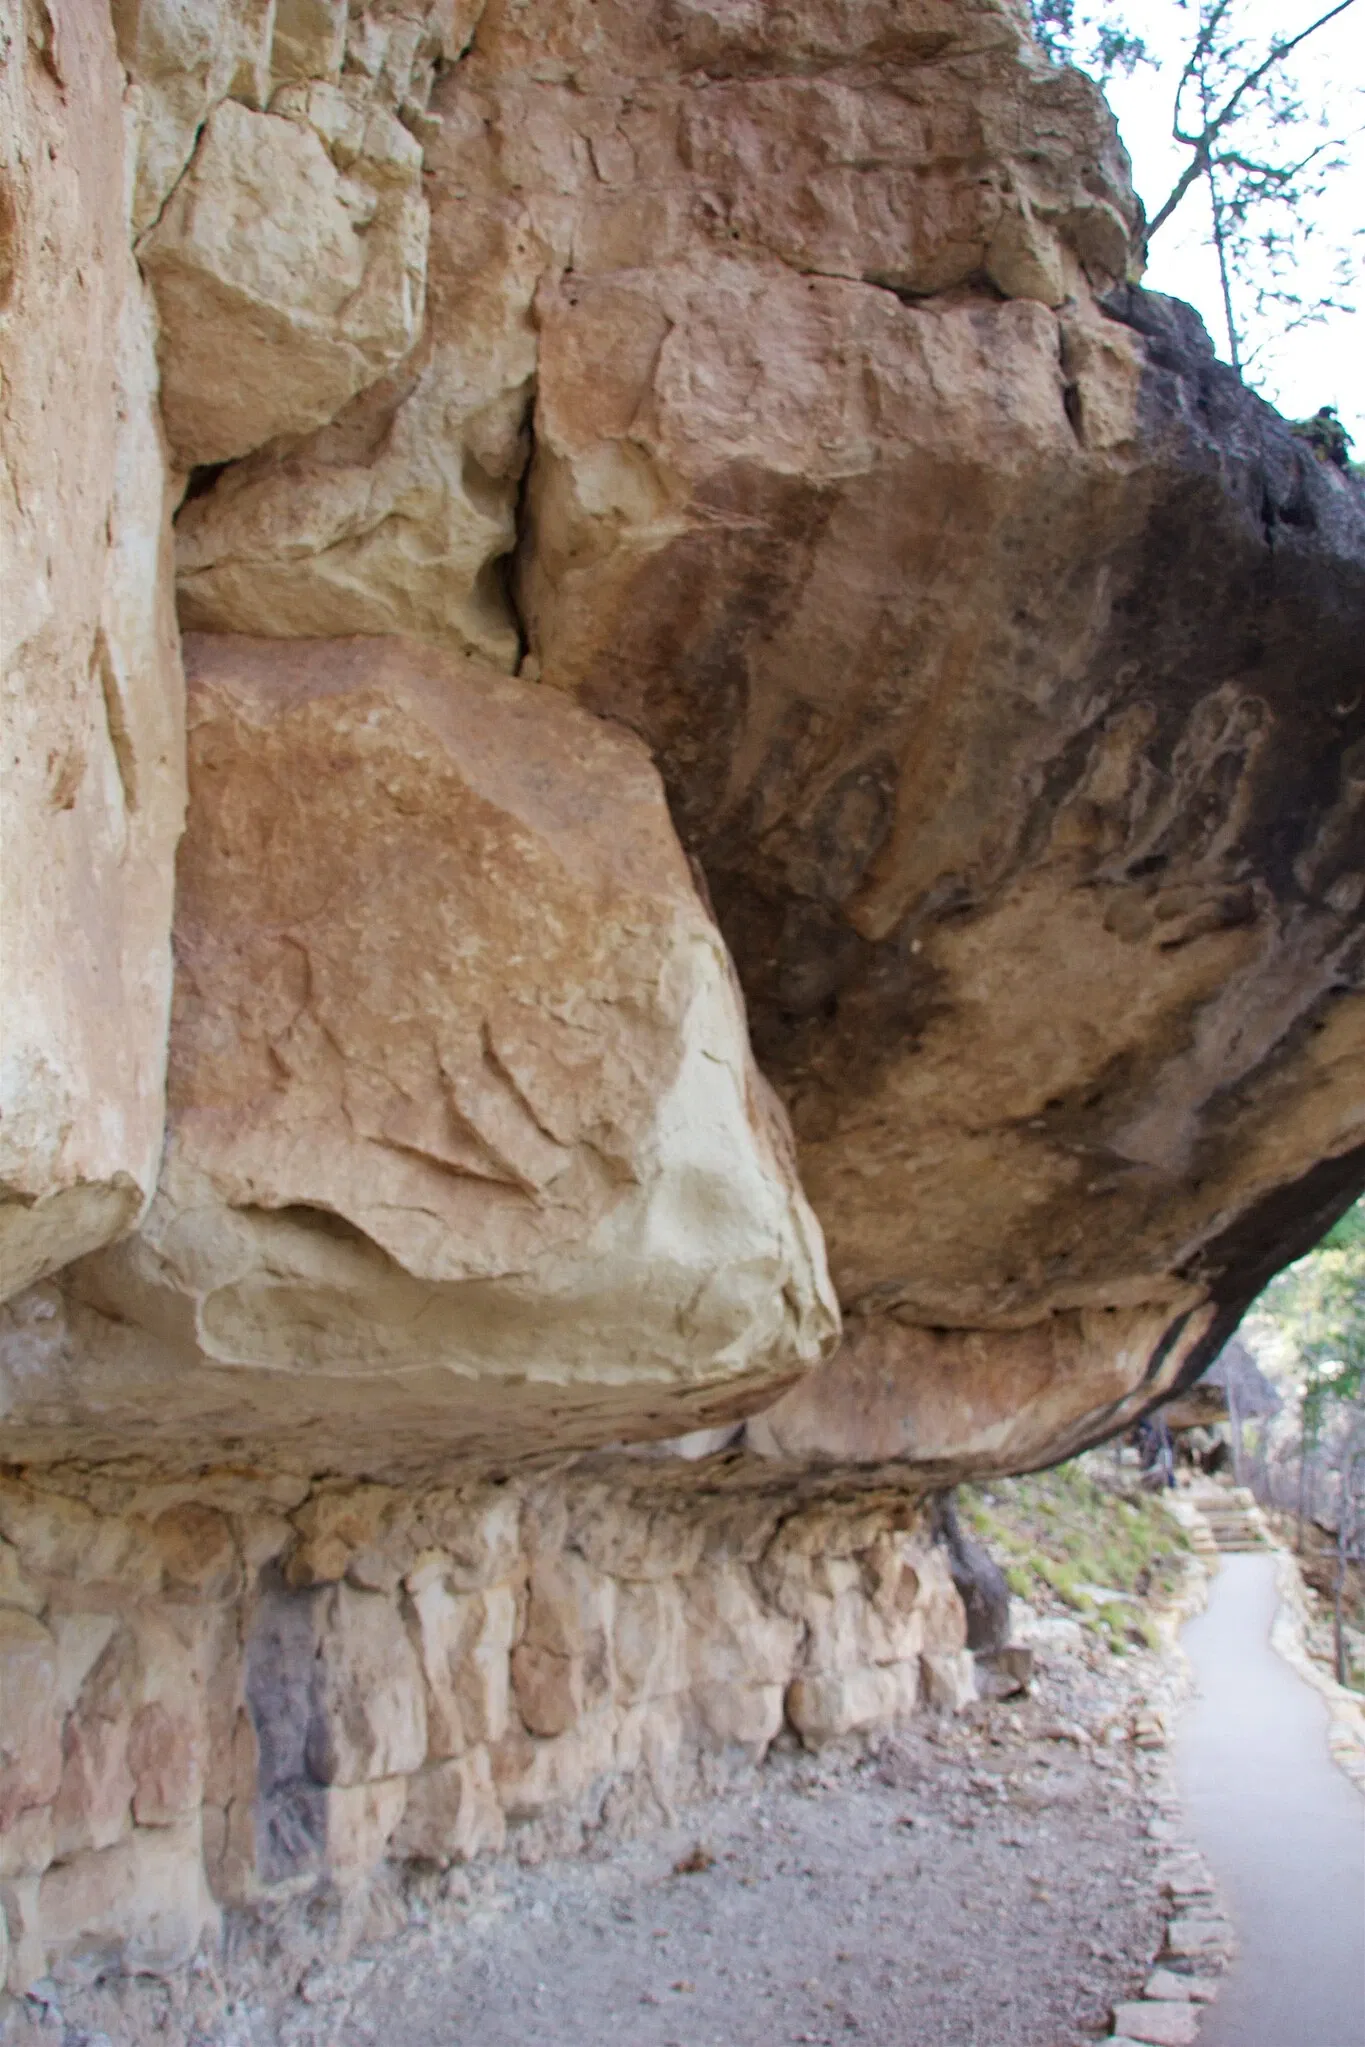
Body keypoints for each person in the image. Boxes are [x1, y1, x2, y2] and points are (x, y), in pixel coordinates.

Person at [1290, 404, 1354, 471]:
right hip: (1323, 444)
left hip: (1331, 447)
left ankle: (1343, 466)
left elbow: (1340, 434)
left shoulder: (1331, 423)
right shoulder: (1318, 421)